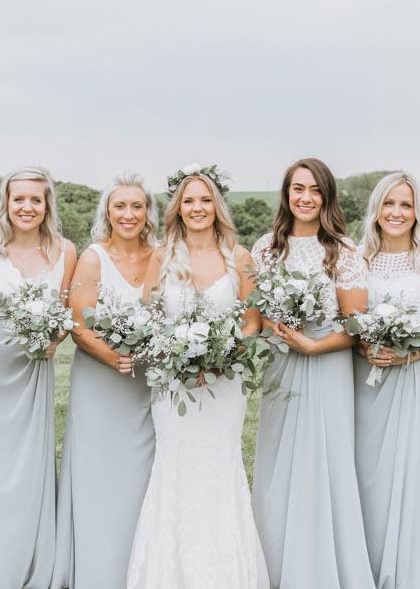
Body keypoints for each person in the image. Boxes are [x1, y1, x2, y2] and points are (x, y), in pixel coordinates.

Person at [127, 164, 270, 589]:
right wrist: (178, 356)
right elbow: (150, 318)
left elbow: (251, 322)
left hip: (224, 388)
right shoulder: (161, 256)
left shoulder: (239, 258)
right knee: (175, 468)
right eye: (188, 200)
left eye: (205, 199)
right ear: (177, 208)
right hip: (175, 389)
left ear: (217, 205)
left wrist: (220, 357)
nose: (197, 207)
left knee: (220, 468)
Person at [250, 158, 375, 589]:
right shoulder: (266, 248)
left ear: (327, 196)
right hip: (282, 365)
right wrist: (278, 329)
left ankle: (326, 568)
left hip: (326, 365)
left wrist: (315, 343)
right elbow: (260, 316)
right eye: (297, 189)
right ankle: (276, 566)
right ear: (286, 195)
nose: (306, 198)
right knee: (279, 461)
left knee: (327, 460)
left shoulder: (342, 250)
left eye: (315, 190)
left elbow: (357, 326)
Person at [0, 166, 76, 588]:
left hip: (32, 372)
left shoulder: (65, 250)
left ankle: (28, 564)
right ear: (5, 203)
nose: (27, 207)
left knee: (27, 469)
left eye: (36, 200)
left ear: (47, 205)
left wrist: (55, 339)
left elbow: (66, 313)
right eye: (19, 199)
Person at [51, 172, 158, 589]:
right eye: (120, 206)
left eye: (136, 206)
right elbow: (79, 326)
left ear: (148, 212)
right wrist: (115, 358)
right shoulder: (94, 257)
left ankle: (140, 566)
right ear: (107, 212)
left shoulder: (162, 255)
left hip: (147, 383)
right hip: (100, 381)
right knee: (99, 475)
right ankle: (96, 570)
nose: (128, 214)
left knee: (142, 476)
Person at [354, 172, 420, 589]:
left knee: (409, 472)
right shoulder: (358, 257)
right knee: (365, 472)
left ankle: (412, 570)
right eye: (389, 203)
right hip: (363, 382)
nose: (397, 213)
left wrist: (409, 353)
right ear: (376, 209)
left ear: (417, 212)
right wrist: (362, 345)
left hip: (411, 382)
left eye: (406, 204)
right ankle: (364, 566)